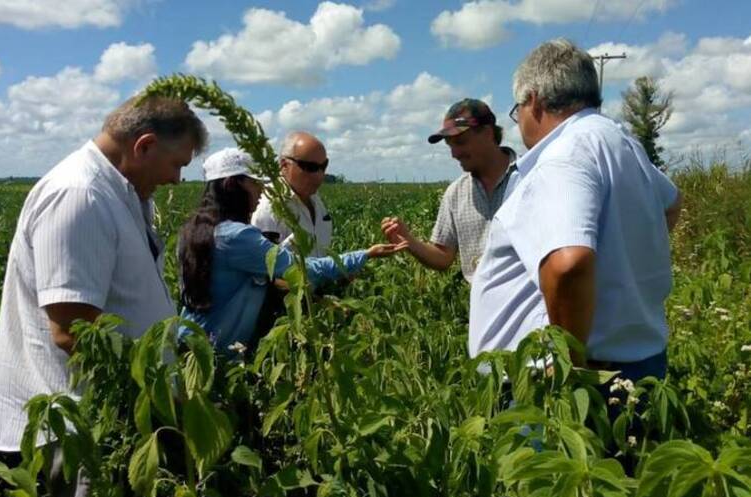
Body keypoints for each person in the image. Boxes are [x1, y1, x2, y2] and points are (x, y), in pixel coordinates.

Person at [0, 95, 208, 494]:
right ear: (144, 146)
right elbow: (73, 330)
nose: (177, 179)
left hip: (111, 414)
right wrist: (156, 400)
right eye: (178, 164)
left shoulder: (120, 193)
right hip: (85, 425)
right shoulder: (80, 195)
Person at [469, 39, 683, 382]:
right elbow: (671, 205)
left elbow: (568, 266)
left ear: (534, 101)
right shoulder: (620, 142)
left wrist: (571, 365)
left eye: (517, 110)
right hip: (639, 363)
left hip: (561, 385)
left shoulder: (565, 156)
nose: (519, 121)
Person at [179, 147, 405, 354]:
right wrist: (365, 255)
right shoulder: (237, 237)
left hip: (192, 341)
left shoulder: (196, 230)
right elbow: (303, 270)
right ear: (231, 185)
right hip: (213, 351)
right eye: (254, 184)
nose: (260, 191)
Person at [381, 98, 517, 283]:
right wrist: (409, 241)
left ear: (488, 134)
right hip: (482, 307)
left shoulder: (530, 177)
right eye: (450, 146)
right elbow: (443, 256)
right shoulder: (455, 193)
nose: (454, 154)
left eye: (460, 142)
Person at [251, 131, 332, 257]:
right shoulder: (268, 207)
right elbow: (263, 268)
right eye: (310, 167)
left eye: (324, 166)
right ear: (284, 165)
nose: (319, 175)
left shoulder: (314, 198)